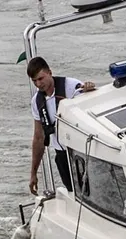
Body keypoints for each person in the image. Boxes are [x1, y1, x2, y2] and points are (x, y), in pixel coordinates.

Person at [27, 56, 96, 194]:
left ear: (50, 73)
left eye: (41, 78)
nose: (38, 84)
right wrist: (33, 173)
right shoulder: (37, 101)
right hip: (61, 155)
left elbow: (90, 111)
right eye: (34, 81)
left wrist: (89, 89)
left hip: (81, 153)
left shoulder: (71, 86)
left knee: (91, 192)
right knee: (72, 193)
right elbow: (39, 137)